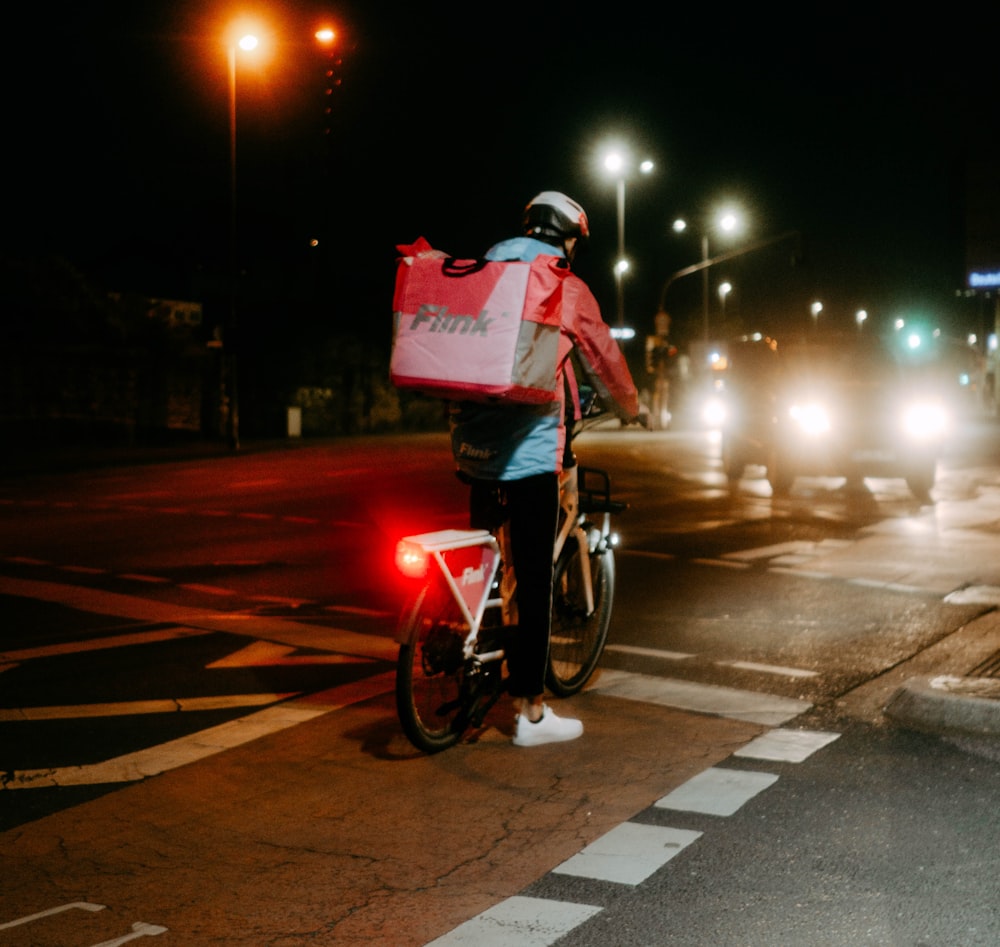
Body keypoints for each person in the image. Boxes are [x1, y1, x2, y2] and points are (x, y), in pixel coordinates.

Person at [448, 191, 640, 747]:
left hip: (470, 447)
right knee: (532, 579)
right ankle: (530, 712)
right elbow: (602, 354)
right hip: (530, 453)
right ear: (568, 237)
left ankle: (471, 649)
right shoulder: (563, 286)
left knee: (488, 557)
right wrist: (630, 406)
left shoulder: (484, 271)